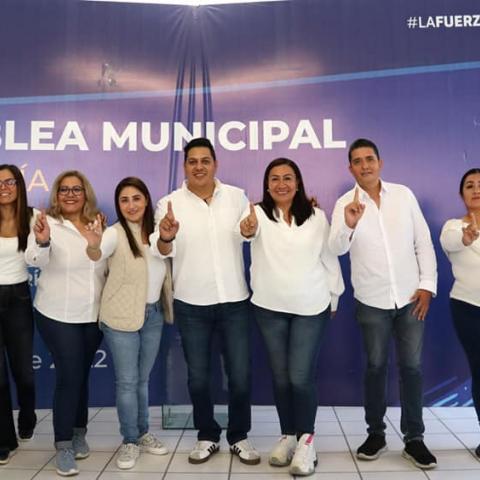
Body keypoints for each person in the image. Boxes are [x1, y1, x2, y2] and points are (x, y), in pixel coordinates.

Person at [328, 138, 438, 469]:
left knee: (412, 369)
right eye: (357, 161)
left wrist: (426, 286)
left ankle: (414, 439)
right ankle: (375, 433)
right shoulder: (344, 203)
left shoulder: (403, 195)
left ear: (380, 162)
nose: (365, 166)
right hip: (371, 301)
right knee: (375, 368)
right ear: (350, 168)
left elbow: (423, 242)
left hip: (409, 299)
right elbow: (335, 248)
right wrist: (349, 222)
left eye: (370, 159)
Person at [152, 137, 260, 465]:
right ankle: (207, 435)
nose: (199, 166)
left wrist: (248, 230)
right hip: (191, 303)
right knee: (199, 377)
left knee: (240, 375)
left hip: (234, 301)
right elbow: (161, 249)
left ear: (215, 164)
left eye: (205, 160)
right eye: (192, 161)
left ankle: (239, 435)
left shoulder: (237, 196)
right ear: (185, 166)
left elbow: (248, 233)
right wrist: (167, 235)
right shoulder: (169, 203)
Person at [239, 158, 344, 476]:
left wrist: (334, 296)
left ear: (298, 183)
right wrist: (247, 228)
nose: (281, 184)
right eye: (274, 179)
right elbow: (244, 233)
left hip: (311, 307)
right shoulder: (255, 214)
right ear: (266, 185)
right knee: (282, 378)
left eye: (288, 178)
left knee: (300, 377)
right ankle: (288, 436)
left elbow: (328, 257)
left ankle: (307, 442)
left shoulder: (316, 216)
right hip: (269, 308)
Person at [85, 177, 173, 470]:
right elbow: (98, 252)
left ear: (146, 200)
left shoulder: (159, 231)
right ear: (119, 205)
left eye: (136, 198)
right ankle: (129, 440)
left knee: (142, 380)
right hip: (120, 315)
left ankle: (144, 432)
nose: (131, 205)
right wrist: (94, 246)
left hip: (153, 315)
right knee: (127, 381)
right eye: (124, 200)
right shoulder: (113, 233)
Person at [25, 170, 107, 477]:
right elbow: (34, 260)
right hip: (56, 313)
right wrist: (43, 242)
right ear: (56, 195)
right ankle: (63, 446)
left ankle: (78, 431)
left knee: (80, 376)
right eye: (64, 190)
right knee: (69, 376)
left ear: (86, 193)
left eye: (76, 189)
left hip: (93, 315)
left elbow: (103, 264)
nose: (70, 194)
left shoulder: (98, 222)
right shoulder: (46, 223)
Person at [440, 168, 480, 458]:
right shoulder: (453, 227)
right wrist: (467, 238)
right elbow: (452, 243)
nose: (476, 189)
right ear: (461, 194)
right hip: (468, 308)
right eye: (470, 185)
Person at [0, 165, 37, 465]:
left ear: (19, 185)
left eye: (10, 181)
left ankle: (27, 413)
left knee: (24, 373)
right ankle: (4, 440)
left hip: (19, 298)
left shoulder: (32, 216)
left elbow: (43, 252)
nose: (4, 187)